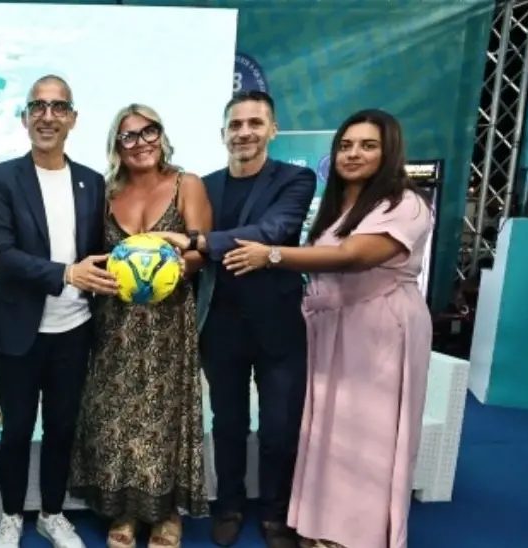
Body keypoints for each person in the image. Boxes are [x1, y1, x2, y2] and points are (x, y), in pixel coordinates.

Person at [223, 109, 434, 548]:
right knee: (329, 432)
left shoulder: (405, 203)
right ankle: (323, 525)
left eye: (367, 145)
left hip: (379, 331)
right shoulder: (340, 206)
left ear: (389, 150)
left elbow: (355, 256)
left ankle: (359, 534)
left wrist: (273, 255)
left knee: (368, 433)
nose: (353, 154)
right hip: (331, 329)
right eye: (346, 145)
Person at [68, 104, 212, 548]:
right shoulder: (105, 192)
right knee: (116, 416)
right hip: (116, 323)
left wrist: (163, 270)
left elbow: (201, 252)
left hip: (169, 323)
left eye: (149, 131)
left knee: (164, 415)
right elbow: (93, 252)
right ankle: (126, 512)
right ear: (117, 146)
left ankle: (167, 513)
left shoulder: (187, 184)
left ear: (162, 135)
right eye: (128, 136)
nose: (141, 142)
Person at [0, 75, 112, 548]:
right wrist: (65, 274)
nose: (47, 116)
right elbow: (1, 253)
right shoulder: (2, 177)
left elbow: (99, 253)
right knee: (16, 430)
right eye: (37, 106)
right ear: (24, 117)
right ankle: (13, 514)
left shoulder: (93, 183)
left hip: (74, 332)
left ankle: (52, 513)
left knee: (62, 428)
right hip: (19, 329)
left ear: (73, 118)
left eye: (58, 108)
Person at [192, 90, 315, 548]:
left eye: (254, 123)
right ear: (223, 133)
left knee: (280, 428)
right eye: (236, 124)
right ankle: (228, 505)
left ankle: (277, 512)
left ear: (272, 130)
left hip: (278, 326)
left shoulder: (295, 180)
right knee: (227, 424)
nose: (244, 132)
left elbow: (273, 232)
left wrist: (202, 242)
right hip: (220, 325)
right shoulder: (203, 186)